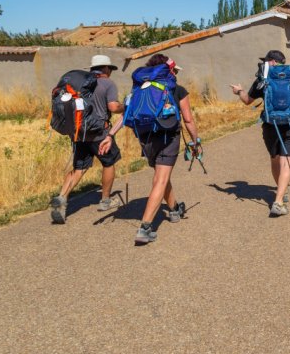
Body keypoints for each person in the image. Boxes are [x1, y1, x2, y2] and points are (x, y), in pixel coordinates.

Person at [231, 50, 290, 217]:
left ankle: (281, 193)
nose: (266, 63)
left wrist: (239, 91)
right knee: (287, 161)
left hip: (270, 125)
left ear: (273, 61)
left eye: (267, 60)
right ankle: (279, 200)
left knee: (275, 159)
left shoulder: (263, 79)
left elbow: (247, 101)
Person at [132, 54, 201, 244]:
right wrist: (196, 141)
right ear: (169, 70)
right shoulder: (177, 90)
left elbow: (128, 111)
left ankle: (174, 209)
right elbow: (188, 119)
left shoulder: (140, 87)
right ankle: (145, 227)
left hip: (145, 137)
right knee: (160, 180)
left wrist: (111, 134)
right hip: (168, 136)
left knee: (162, 177)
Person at [50, 54, 124, 224]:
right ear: (105, 68)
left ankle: (62, 198)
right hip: (100, 134)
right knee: (109, 162)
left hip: (79, 133)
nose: (110, 72)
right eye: (110, 69)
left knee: (79, 168)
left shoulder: (80, 84)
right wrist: (125, 106)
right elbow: (113, 106)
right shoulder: (107, 83)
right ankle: (105, 200)